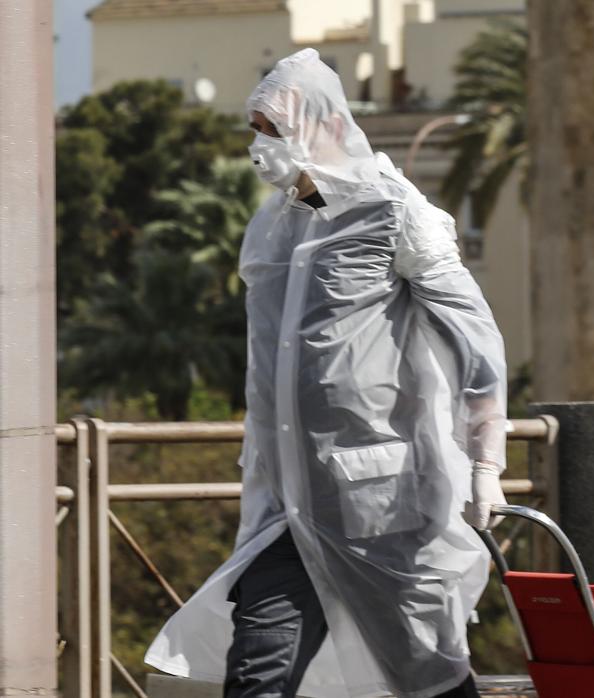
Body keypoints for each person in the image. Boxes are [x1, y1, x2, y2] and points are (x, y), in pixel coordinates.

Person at [144, 48, 510, 698]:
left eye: (271, 129)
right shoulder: (267, 230)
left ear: (323, 125)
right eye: (254, 128)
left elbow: (476, 341)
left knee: (429, 676)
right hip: (287, 503)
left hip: (381, 508)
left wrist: (486, 467)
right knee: (259, 672)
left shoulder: (395, 213)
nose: (259, 145)